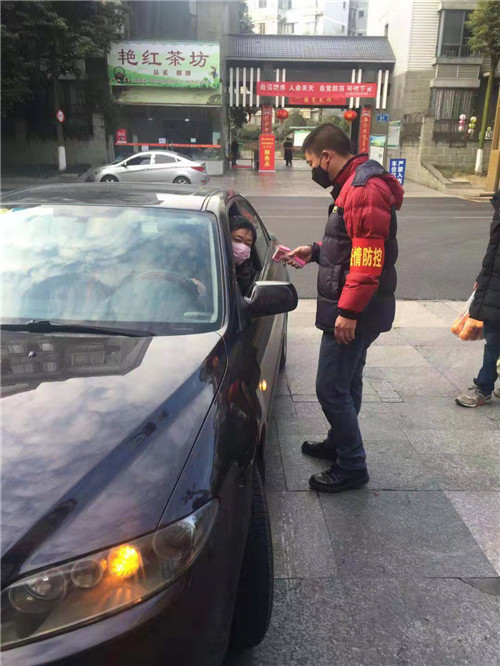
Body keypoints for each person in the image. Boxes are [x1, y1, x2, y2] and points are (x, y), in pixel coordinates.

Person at [287, 123, 404, 494]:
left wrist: (349, 313)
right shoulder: (353, 185)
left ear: (326, 156)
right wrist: (315, 251)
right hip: (360, 305)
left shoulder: (362, 189)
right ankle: (339, 443)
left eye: (311, 163)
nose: (312, 170)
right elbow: (350, 243)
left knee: (330, 388)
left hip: (357, 310)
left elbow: (368, 259)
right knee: (347, 381)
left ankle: (352, 465)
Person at [456, 190, 500, 407]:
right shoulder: (498, 210)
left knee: (494, 340)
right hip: (494, 282)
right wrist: (483, 277)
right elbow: (494, 251)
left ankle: (483, 389)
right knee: (494, 338)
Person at [230, 216, 257, 294]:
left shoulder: (247, 272)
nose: (242, 247)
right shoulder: (208, 263)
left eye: (248, 244)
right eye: (237, 240)